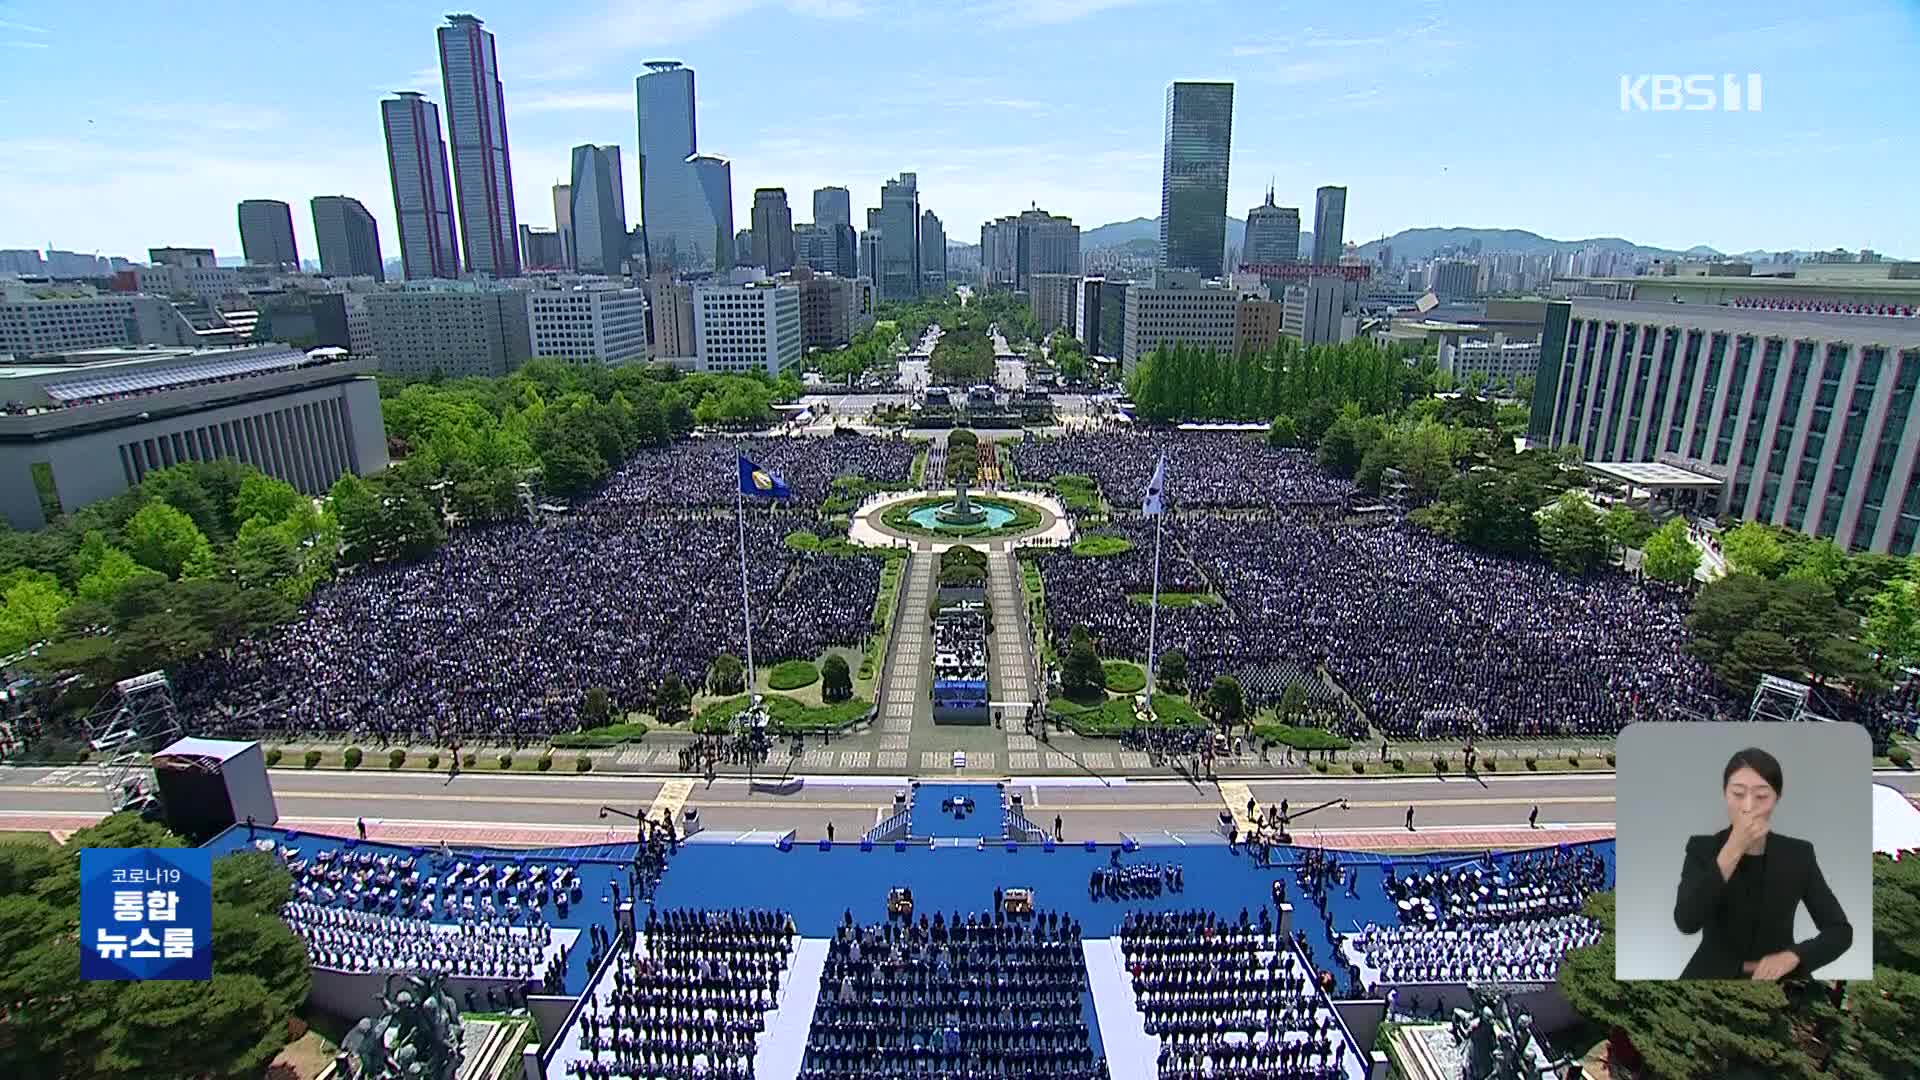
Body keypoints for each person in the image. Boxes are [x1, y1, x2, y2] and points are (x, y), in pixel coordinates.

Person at [1672, 747, 1853, 980]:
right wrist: (1733, 849)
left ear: (1777, 797)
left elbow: (1839, 931)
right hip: (1712, 974)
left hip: (1782, 978)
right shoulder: (1702, 848)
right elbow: (1687, 921)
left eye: (1761, 796)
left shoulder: (1798, 854)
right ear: (1725, 794)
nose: (1748, 806)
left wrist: (1795, 955)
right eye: (1738, 794)